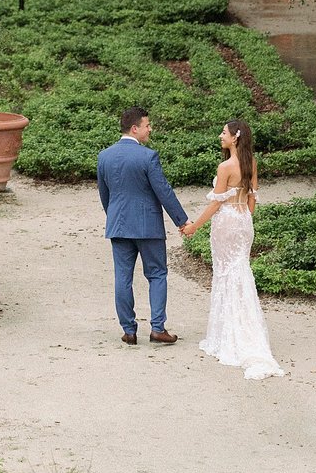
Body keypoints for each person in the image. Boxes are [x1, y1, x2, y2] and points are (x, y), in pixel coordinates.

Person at [182, 118, 284, 380]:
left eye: (224, 133)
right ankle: (246, 329)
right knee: (241, 270)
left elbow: (216, 203)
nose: (220, 136)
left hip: (227, 221)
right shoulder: (251, 164)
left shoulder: (226, 166)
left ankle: (228, 334)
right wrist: (244, 219)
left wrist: (194, 226)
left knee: (226, 273)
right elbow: (252, 200)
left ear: (235, 137)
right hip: (243, 222)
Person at [97, 107, 190, 346]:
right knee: (157, 274)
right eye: (147, 125)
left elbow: (105, 195)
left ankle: (129, 330)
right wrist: (182, 220)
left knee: (122, 278)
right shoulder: (148, 156)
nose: (150, 129)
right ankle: (157, 328)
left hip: (118, 226)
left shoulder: (104, 156)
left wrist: (116, 218)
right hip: (148, 226)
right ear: (135, 128)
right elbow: (164, 192)